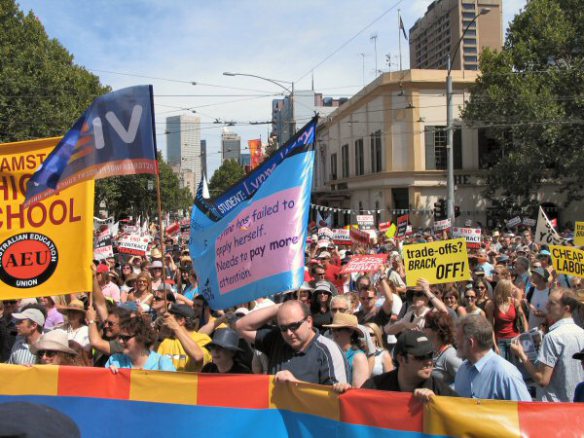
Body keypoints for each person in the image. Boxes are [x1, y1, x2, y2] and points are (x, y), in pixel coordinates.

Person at [235, 300, 349, 385]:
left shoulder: (328, 349)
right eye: (283, 328)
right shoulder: (276, 339)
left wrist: (296, 384)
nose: (289, 333)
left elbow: (336, 400)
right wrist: (279, 308)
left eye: (294, 326)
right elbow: (240, 326)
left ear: (309, 322)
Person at [511, 288, 584, 402]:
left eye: (552, 303)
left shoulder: (553, 337)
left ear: (566, 309)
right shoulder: (581, 333)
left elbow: (542, 379)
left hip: (556, 409)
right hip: (576, 407)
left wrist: (522, 355)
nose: (546, 306)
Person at [355, 330, 457, 400]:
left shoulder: (440, 391)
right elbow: (354, 405)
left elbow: (463, 414)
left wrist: (437, 405)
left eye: (431, 355)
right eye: (420, 356)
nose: (429, 362)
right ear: (401, 359)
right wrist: (343, 392)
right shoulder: (375, 386)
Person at [454, 314, 531, 401]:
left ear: (470, 342)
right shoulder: (462, 370)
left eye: (458, 339)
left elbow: (524, 411)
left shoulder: (506, 374)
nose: (456, 344)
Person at [106, 316, 176, 372]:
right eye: (120, 337)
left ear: (141, 338)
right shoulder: (115, 360)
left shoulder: (162, 363)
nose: (120, 341)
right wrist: (109, 376)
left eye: (125, 338)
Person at [157, 304, 212, 372]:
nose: (166, 322)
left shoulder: (203, 339)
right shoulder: (166, 341)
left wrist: (176, 328)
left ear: (181, 321)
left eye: (169, 318)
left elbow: (198, 357)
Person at [324, 313, 370, 387]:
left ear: (351, 332)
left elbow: (359, 391)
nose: (334, 333)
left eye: (338, 329)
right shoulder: (330, 353)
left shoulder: (358, 357)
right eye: (332, 329)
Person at [486, 279, 527, 361]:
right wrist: (494, 345)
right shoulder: (492, 304)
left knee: (516, 367)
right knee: (501, 366)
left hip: (515, 339)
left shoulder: (514, 302)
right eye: (511, 289)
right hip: (500, 340)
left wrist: (525, 337)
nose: (513, 291)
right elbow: (490, 327)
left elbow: (523, 320)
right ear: (505, 290)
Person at [424, 311, 462, 388]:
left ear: (436, 331)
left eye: (425, 326)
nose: (422, 329)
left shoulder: (450, 356)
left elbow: (465, 383)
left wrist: (444, 391)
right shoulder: (432, 351)